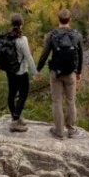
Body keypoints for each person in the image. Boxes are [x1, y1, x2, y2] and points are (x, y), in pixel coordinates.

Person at [35, 8, 83, 139]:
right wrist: (78, 72)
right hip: (70, 73)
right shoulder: (76, 35)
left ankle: (59, 131)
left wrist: (37, 70)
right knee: (71, 101)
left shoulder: (52, 35)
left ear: (58, 20)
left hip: (55, 73)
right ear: (70, 19)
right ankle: (72, 130)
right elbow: (80, 55)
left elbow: (44, 54)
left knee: (57, 102)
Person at [6, 13, 37, 132]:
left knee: (12, 94)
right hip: (21, 72)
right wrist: (35, 72)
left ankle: (15, 117)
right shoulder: (22, 40)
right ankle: (15, 121)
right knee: (23, 95)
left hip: (10, 71)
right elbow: (28, 56)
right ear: (21, 24)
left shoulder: (7, 37)